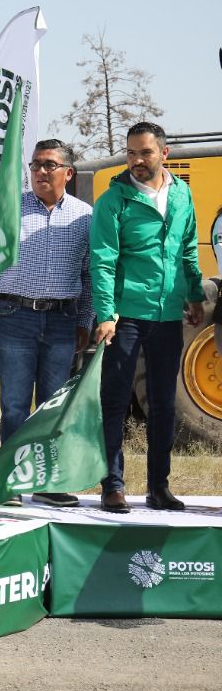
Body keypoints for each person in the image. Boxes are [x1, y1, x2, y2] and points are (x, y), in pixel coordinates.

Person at [91, 122, 206, 513]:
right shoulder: (114, 202)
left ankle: (159, 487)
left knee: (163, 405)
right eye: (131, 153)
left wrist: (192, 295)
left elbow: (188, 249)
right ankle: (113, 485)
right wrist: (106, 313)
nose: (137, 161)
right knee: (116, 401)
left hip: (169, 316)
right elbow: (103, 263)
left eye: (145, 153)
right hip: (126, 317)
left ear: (164, 154)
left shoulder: (182, 195)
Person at [0, 139, 92, 507]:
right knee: (13, 404)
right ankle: (10, 482)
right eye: (36, 165)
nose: (41, 171)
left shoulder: (85, 216)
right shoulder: (10, 210)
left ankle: (46, 481)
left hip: (62, 320)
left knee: (52, 405)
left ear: (68, 173)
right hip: (15, 316)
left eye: (50, 165)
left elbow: (88, 274)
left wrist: (85, 320)